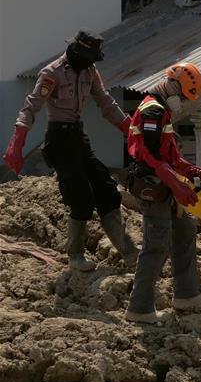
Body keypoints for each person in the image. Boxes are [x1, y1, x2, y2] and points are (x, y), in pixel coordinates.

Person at [2, 29, 138, 271]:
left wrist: (131, 131)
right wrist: (17, 142)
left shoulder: (90, 72)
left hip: (78, 137)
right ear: (76, 51)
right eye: (88, 58)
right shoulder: (52, 73)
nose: (90, 63)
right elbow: (30, 108)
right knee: (81, 198)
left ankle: (129, 253)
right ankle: (75, 256)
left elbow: (106, 103)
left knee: (107, 191)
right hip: (59, 141)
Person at [124, 62, 201, 323]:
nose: (182, 102)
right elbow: (152, 158)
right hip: (152, 184)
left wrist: (193, 171)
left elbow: (171, 157)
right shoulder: (152, 111)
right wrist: (178, 186)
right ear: (172, 85)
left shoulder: (161, 111)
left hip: (163, 183)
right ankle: (139, 309)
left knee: (185, 230)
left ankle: (186, 294)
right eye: (183, 96)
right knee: (156, 245)